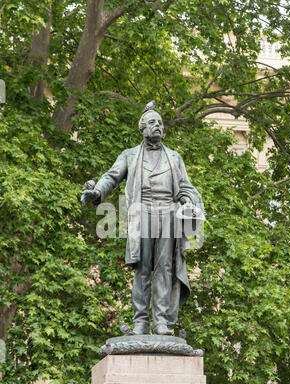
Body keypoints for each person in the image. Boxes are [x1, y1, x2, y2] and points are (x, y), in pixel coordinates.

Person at [81, 105, 204, 335]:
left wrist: (189, 201)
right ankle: (140, 322)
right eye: (152, 122)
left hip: (168, 215)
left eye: (160, 123)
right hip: (143, 214)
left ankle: (160, 322)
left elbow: (186, 187)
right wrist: (97, 192)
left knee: (165, 269)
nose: (158, 125)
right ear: (142, 128)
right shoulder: (129, 155)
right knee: (143, 268)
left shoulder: (175, 158)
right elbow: (111, 176)